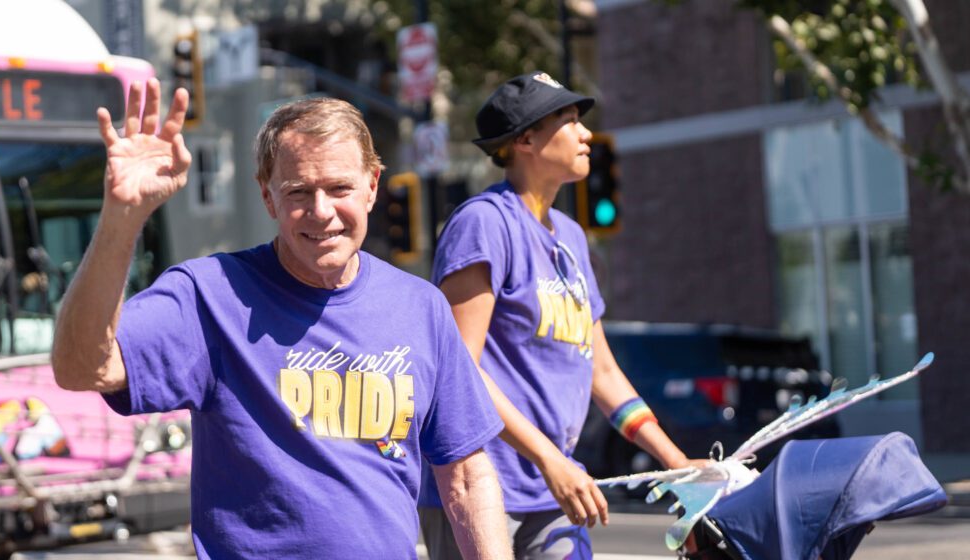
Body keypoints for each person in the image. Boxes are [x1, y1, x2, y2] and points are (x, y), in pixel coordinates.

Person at [51, 80, 511, 559]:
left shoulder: (421, 307)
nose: (321, 211)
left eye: (339, 188)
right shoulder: (208, 294)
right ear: (268, 198)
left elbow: (467, 477)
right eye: (298, 192)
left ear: (373, 186)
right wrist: (122, 217)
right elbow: (81, 368)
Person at [418, 71, 701, 559]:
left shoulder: (571, 238)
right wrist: (551, 460)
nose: (586, 133)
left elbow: (604, 371)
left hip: (553, 484)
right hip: (483, 480)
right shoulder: (483, 224)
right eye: (568, 120)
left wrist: (679, 466)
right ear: (524, 139)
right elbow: (459, 370)